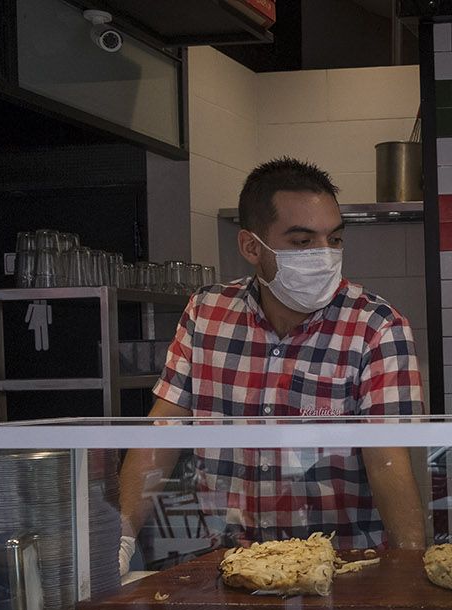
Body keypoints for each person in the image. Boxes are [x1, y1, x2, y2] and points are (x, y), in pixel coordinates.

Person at [117, 157, 426, 573]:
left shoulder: (376, 326)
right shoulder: (206, 313)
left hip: (337, 570)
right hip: (223, 567)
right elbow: (162, 433)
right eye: (302, 242)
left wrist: (409, 566)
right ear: (251, 247)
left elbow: (389, 462)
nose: (324, 256)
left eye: (334, 240)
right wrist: (120, 540)